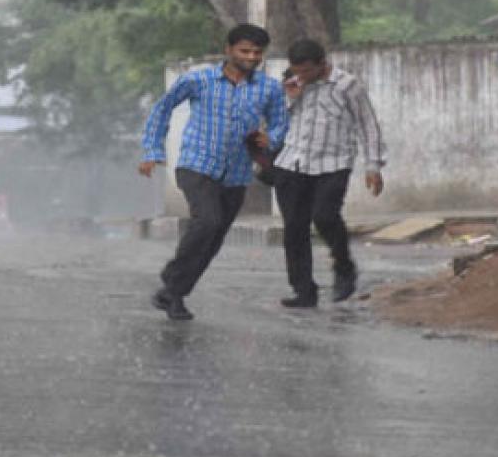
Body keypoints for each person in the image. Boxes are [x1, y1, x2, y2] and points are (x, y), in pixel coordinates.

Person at [139, 23, 288, 320]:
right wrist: (152, 151)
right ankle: (174, 280)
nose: (251, 57)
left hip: (236, 173)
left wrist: (270, 138)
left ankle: (173, 294)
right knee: (207, 221)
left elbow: (280, 122)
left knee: (214, 238)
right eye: (245, 50)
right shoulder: (199, 80)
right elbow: (162, 108)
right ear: (229, 50)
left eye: (257, 52)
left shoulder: (269, 88)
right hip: (197, 165)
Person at [272, 38, 387, 308]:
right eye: (296, 70)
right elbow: (275, 121)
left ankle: (344, 268)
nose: (302, 76)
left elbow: (367, 125)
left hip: (333, 163)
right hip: (292, 162)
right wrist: (290, 97)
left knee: (325, 217)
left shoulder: (347, 85)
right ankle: (303, 290)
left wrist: (373, 166)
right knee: (294, 229)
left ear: (322, 64)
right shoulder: (291, 85)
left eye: (306, 71)